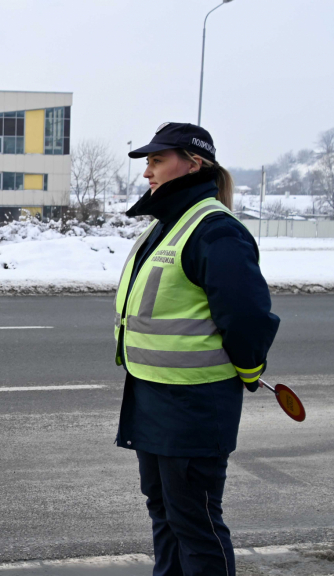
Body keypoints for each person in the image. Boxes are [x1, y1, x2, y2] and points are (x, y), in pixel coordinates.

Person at [114, 122, 279, 576]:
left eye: (157, 160)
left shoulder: (214, 230)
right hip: (153, 397)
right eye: (147, 161)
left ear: (193, 163)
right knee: (165, 515)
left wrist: (250, 369)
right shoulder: (168, 224)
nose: (148, 172)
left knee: (196, 523)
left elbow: (247, 318)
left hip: (194, 404)